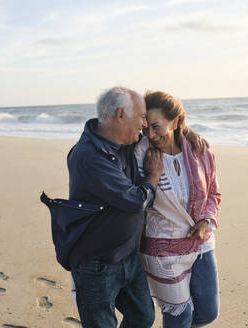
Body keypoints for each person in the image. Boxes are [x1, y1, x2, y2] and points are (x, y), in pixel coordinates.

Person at [67, 86, 207, 328]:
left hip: (127, 256)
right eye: (142, 117)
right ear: (121, 114)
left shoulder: (123, 141)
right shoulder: (89, 156)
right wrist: (152, 176)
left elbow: (165, 126)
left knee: (143, 317)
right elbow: (133, 201)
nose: (144, 125)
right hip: (96, 262)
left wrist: (185, 132)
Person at [135, 91, 221, 328]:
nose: (150, 135)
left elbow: (213, 193)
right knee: (180, 317)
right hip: (162, 250)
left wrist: (207, 220)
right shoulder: (140, 152)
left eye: (156, 126)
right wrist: (151, 177)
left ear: (175, 122)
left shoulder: (199, 150)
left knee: (207, 312)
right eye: (145, 128)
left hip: (201, 243)